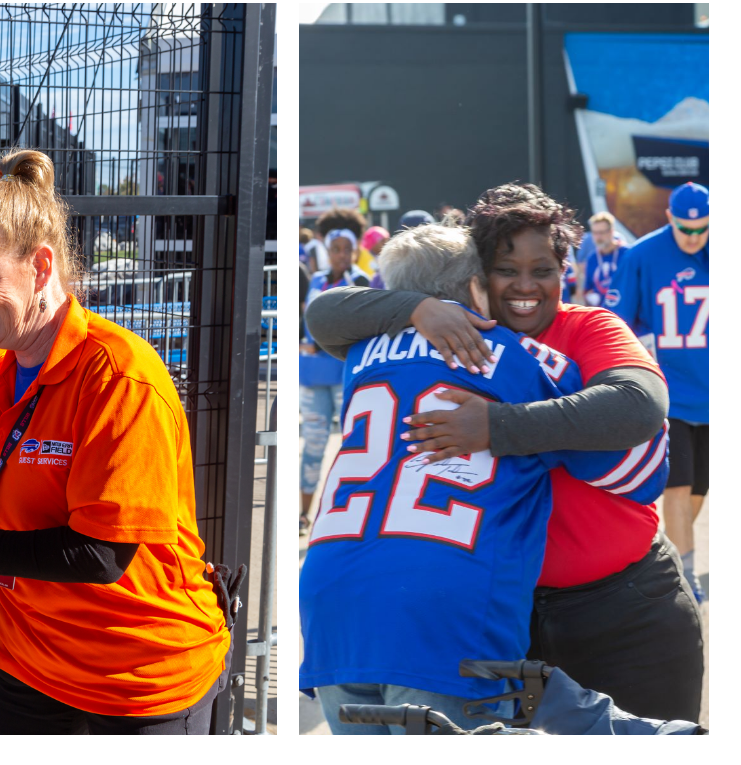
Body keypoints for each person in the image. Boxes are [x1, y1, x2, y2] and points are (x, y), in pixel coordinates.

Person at [0, 149, 229, 733]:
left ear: (42, 265)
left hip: (137, 676)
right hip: (31, 663)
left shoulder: (119, 375)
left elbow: (101, 554)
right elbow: (7, 498)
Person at [302, 183, 696, 722]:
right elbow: (326, 315)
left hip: (619, 608)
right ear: (476, 279)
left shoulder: (587, 327)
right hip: (498, 614)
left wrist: (496, 425)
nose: (526, 285)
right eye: (506, 270)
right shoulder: (479, 347)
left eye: (544, 270)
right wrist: (420, 308)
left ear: (567, 273)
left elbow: (637, 413)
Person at [608, 182, 706, 581]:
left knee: (699, 493)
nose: (693, 236)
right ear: (670, 217)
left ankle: (670, 549)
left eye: (702, 229)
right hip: (670, 393)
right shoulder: (642, 255)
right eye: (686, 227)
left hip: (712, 394)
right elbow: (617, 321)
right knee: (678, 490)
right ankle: (686, 577)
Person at [296, 229, 371, 501]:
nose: (341, 254)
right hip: (312, 374)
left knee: (353, 444)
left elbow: (362, 325)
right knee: (313, 444)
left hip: (345, 373)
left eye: (346, 248)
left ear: (354, 251)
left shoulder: (361, 280)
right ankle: (303, 512)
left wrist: (319, 343)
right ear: (327, 252)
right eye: (336, 248)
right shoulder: (315, 279)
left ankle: (350, 506)